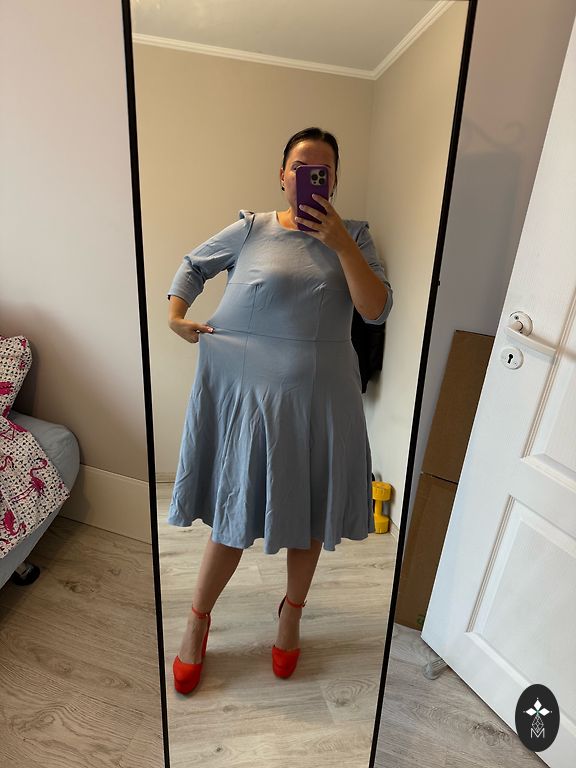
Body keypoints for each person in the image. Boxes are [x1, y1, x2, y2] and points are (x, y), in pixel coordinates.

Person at [167, 127, 393, 694]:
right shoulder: (252, 229)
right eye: (300, 166)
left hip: (322, 402)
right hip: (253, 402)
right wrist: (176, 316)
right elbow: (193, 265)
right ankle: (197, 620)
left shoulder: (356, 236)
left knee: (308, 515)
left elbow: (375, 310)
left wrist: (341, 244)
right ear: (283, 175)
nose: (310, 177)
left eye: (323, 170)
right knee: (234, 512)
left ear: (334, 180)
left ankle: (291, 615)